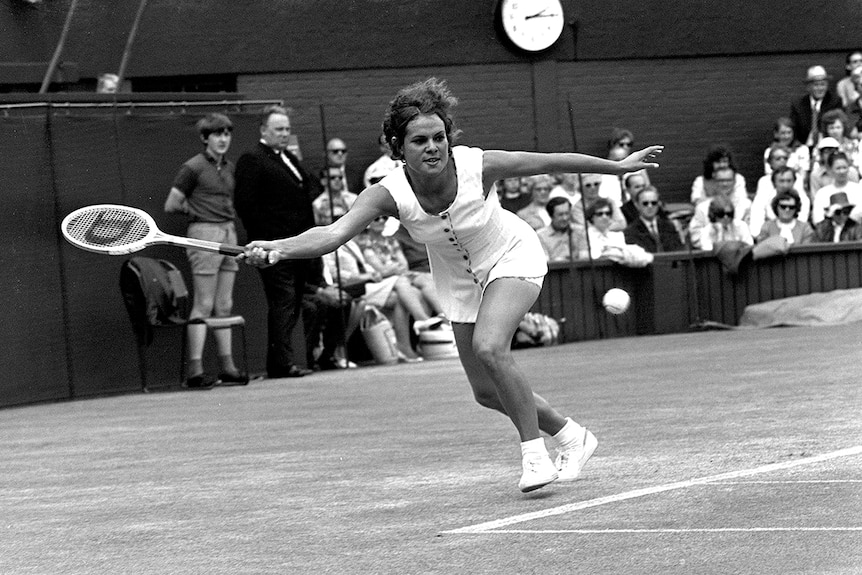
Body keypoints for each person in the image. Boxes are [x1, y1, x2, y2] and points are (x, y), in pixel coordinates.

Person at [242, 77, 663, 493]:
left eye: (439, 137)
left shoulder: (479, 165)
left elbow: (549, 161)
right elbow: (333, 234)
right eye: (420, 141)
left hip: (512, 256)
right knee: (484, 391)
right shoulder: (386, 193)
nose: (433, 148)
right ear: (397, 148)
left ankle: (535, 456)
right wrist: (279, 248)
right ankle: (572, 436)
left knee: (490, 348)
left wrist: (617, 167)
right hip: (459, 281)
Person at [163, 112, 247, 388]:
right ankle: (195, 371)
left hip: (228, 234)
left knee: (224, 304)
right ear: (204, 138)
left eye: (226, 134)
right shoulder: (193, 167)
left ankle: (228, 367)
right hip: (203, 234)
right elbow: (172, 204)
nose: (223, 139)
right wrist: (198, 211)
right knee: (204, 302)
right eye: (216, 134)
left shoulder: (230, 167)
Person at [234, 104, 316, 379]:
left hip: (297, 244)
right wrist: (263, 241)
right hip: (272, 245)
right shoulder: (253, 159)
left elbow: (310, 188)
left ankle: (281, 360)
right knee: (284, 299)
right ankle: (282, 363)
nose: (284, 134)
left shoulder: (289, 159)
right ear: (263, 131)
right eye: (278, 129)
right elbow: (245, 204)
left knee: (292, 301)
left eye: (287, 129)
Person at [689, 166, 752, 249]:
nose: (725, 184)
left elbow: (751, 232)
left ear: (735, 181)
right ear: (714, 182)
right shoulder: (702, 207)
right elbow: (695, 236)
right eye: (721, 180)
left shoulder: (746, 205)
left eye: (729, 180)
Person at [749, 154, 810, 237]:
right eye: (781, 181)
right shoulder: (764, 196)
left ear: (794, 182)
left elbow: (801, 223)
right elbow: (757, 217)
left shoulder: (803, 200)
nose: (785, 185)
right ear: (774, 183)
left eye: (789, 181)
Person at [789, 65, 843, 150]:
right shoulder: (798, 105)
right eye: (816, 85)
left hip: (829, 147)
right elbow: (794, 129)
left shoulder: (835, 102)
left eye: (823, 85)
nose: (820, 88)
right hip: (804, 148)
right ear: (808, 87)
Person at [623, 186, 684, 253]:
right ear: (637, 205)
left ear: (658, 204)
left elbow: (678, 250)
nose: (650, 206)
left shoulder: (669, 226)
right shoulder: (630, 231)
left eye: (654, 203)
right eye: (645, 203)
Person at [811, 151, 862, 225]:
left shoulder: (858, 189)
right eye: (838, 168)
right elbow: (817, 219)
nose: (842, 171)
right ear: (830, 170)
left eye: (844, 167)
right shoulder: (822, 193)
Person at [536, 196, 586, 262]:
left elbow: (585, 257)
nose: (565, 218)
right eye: (560, 215)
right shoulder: (541, 236)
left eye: (567, 213)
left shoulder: (579, 231)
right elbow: (545, 262)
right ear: (551, 215)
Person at [762, 117, 810, 183]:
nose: (786, 136)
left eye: (789, 132)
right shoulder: (769, 151)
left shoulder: (803, 149)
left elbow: (803, 174)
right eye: (783, 133)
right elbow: (769, 174)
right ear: (776, 134)